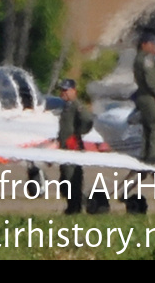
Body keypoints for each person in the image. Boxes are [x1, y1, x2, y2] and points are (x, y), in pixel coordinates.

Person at [56, 78, 93, 215]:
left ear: (73, 91)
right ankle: (73, 206)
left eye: (66, 90)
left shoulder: (77, 105)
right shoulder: (67, 106)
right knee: (64, 179)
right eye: (62, 90)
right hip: (65, 147)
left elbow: (87, 119)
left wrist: (78, 133)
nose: (63, 93)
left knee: (72, 179)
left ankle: (75, 208)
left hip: (72, 147)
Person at [132, 33, 155, 166]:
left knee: (147, 126)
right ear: (144, 44)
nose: (153, 46)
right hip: (148, 95)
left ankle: (144, 154)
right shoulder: (146, 59)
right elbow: (150, 78)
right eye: (151, 44)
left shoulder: (138, 58)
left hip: (141, 95)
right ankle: (153, 157)